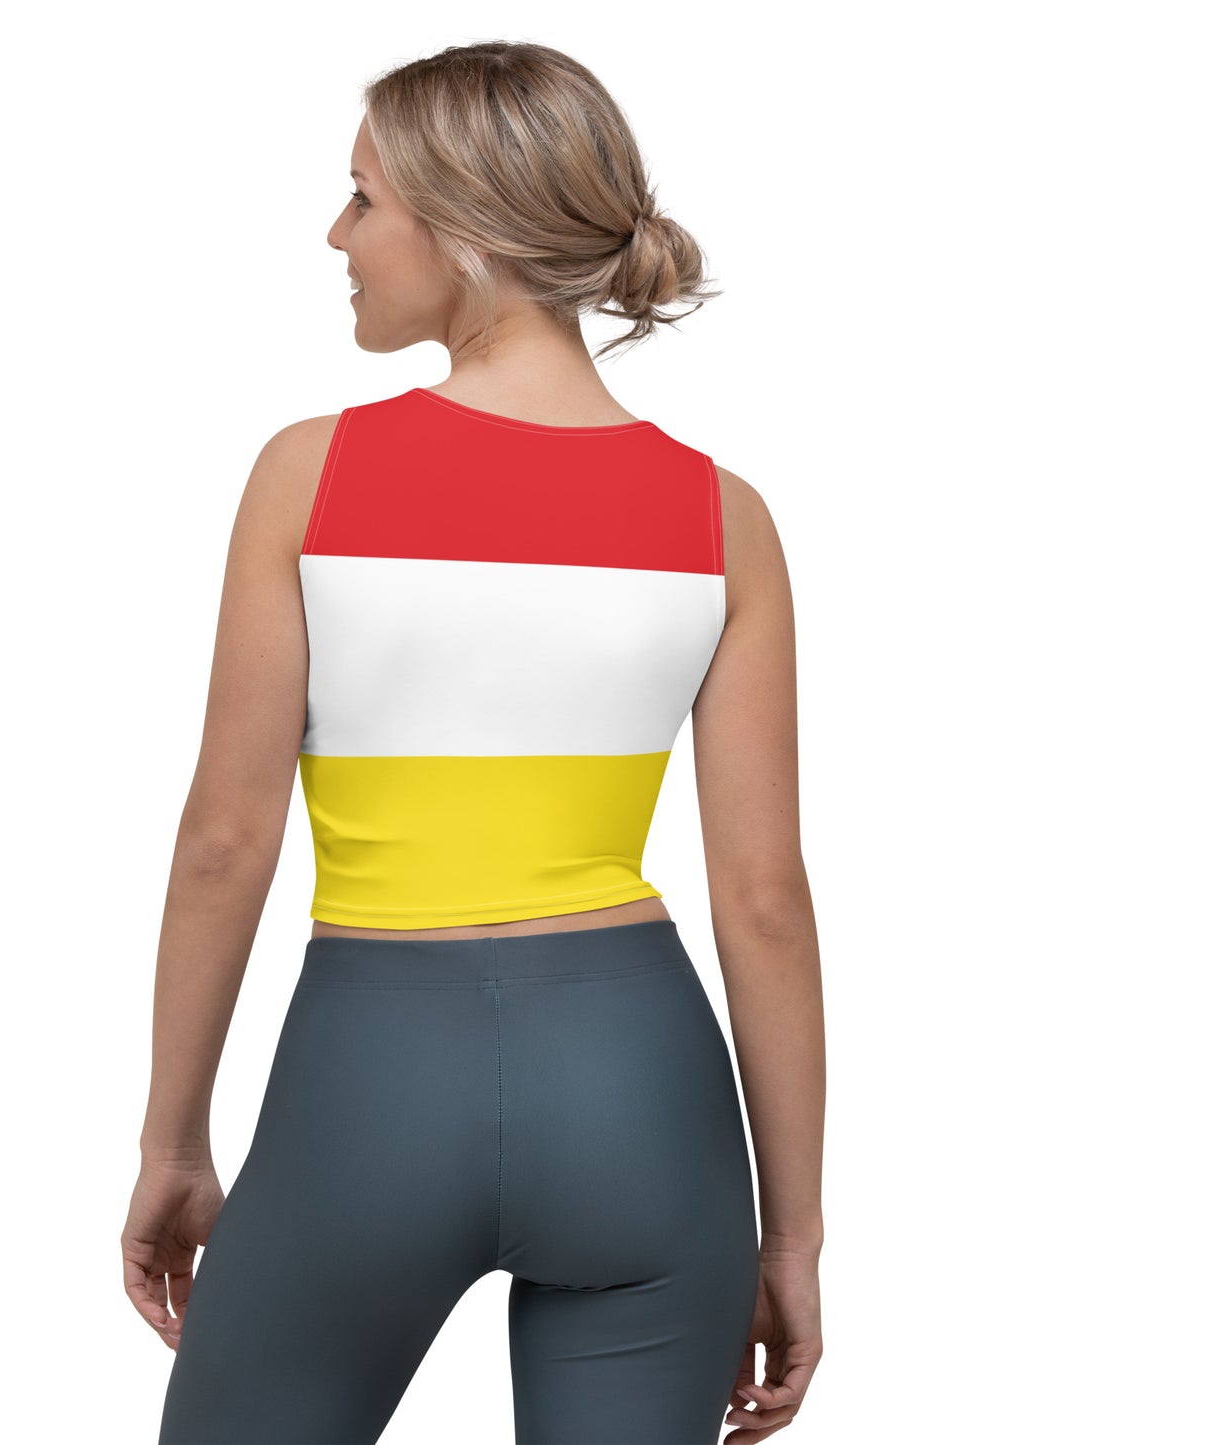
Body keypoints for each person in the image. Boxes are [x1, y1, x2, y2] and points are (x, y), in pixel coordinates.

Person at [122, 39, 825, 1445]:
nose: (337, 236)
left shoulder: (313, 474)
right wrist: (792, 1231)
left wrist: (173, 1140)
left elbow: (223, 843)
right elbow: (762, 898)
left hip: (371, 1082)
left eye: (363, 199)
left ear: (466, 229)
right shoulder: (720, 516)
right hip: (643, 1090)